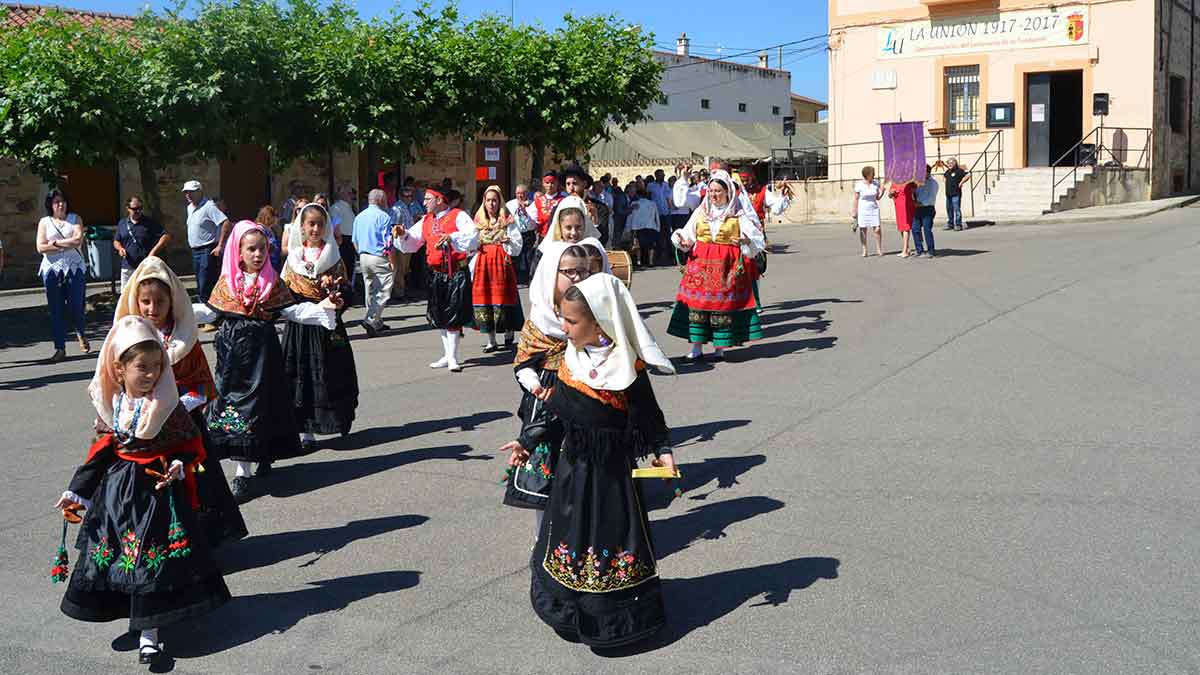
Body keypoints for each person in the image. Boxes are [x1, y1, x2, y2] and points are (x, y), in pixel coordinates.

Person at [54, 315, 231, 666]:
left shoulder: (169, 406)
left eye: (156, 366)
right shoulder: (112, 406)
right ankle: (132, 614)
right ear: (120, 370)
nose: (150, 374)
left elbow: (189, 445)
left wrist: (179, 466)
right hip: (118, 496)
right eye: (142, 367)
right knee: (124, 556)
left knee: (154, 560)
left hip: (159, 495)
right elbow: (100, 455)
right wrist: (77, 492)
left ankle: (150, 634)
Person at [514, 273, 675, 648]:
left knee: (613, 538)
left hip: (613, 477)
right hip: (574, 473)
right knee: (570, 537)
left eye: (571, 322)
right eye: (564, 320)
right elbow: (556, 412)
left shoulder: (627, 368)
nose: (565, 330)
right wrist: (526, 439)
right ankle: (568, 612)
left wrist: (664, 452)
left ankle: (614, 622)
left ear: (599, 321)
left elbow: (649, 416)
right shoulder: (571, 361)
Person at [196, 221, 339, 503]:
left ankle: (254, 463)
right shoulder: (226, 283)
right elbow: (211, 313)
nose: (258, 254)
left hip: (263, 355)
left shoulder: (273, 283)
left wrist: (322, 309)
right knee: (235, 407)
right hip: (233, 357)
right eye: (251, 249)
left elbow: (293, 311)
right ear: (238, 252)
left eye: (262, 248)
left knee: (262, 406)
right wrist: (174, 311)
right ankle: (242, 471)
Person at [113, 257, 247, 547]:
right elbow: (114, 380)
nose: (152, 309)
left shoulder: (185, 340)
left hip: (183, 425)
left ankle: (197, 542)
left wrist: (178, 404)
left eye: (159, 302)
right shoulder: (128, 337)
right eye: (145, 302)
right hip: (141, 427)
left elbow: (203, 386)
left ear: (171, 302)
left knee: (192, 484)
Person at [501, 244, 595, 538]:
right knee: (546, 468)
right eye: (570, 272)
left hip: (587, 396)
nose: (577, 278)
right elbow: (523, 362)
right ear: (552, 275)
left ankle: (581, 536)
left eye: (583, 271)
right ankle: (545, 536)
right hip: (546, 399)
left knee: (584, 468)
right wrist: (535, 384)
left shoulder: (598, 313)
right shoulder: (541, 318)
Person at [280, 204, 359, 448]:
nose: (315, 228)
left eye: (319, 224)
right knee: (301, 375)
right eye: (310, 224)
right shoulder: (293, 259)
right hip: (301, 327)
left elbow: (347, 291)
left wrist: (335, 298)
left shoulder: (333, 257)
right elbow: (283, 293)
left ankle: (338, 419)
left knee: (331, 372)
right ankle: (306, 433)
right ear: (301, 227)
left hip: (327, 326)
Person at [668, 170, 765, 361]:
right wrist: (683, 240)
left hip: (726, 267)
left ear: (727, 192)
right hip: (700, 265)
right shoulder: (701, 212)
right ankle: (696, 348)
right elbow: (689, 234)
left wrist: (744, 241)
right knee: (697, 305)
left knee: (721, 307)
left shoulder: (738, 214)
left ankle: (720, 347)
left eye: (718, 191)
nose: (713, 194)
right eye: (711, 191)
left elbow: (756, 239)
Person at [393, 188, 479, 372]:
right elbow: (412, 241)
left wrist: (452, 237)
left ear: (439, 200)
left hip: (455, 273)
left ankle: (454, 357)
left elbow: (473, 237)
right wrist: (402, 233)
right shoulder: (426, 220)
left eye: (427, 199)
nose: (424, 203)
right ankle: (447, 355)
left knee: (453, 315)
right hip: (435, 274)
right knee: (439, 313)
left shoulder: (458, 215)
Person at [36, 189, 90, 362]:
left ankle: (80, 332)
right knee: (55, 309)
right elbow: (40, 247)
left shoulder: (75, 219)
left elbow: (78, 240)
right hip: (52, 270)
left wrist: (54, 243)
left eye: (63, 201)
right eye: (57, 202)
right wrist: (63, 244)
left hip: (74, 268)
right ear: (50, 205)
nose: (61, 204)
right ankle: (60, 348)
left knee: (76, 305)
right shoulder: (44, 222)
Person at [470, 186, 524, 352]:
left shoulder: (507, 219)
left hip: (502, 262)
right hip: (483, 262)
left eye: (494, 200)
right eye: (488, 200)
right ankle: (491, 339)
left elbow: (517, 242)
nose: (491, 204)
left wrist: (508, 241)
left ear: (500, 201)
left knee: (503, 298)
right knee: (485, 299)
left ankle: (508, 332)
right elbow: (470, 241)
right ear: (484, 202)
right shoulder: (478, 221)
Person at [352, 189, 396, 337]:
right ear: (381, 200)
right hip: (379, 256)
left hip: (364, 255)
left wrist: (361, 254)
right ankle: (371, 319)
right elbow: (388, 243)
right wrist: (392, 261)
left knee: (370, 289)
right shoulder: (384, 217)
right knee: (383, 290)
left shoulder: (359, 217)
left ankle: (376, 320)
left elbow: (355, 240)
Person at [183, 181, 231, 314]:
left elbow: (225, 222)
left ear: (200, 192)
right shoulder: (190, 207)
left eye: (191, 192)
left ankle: (212, 314)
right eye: (186, 192)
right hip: (195, 250)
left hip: (207, 249)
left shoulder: (209, 206)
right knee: (199, 282)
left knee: (206, 282)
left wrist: (220, 245)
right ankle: (206, 313)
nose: (188, 195)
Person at [114, 197, 170, 291]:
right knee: (126, 295)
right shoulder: (122, 223)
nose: (138, 211)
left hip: (145, 266)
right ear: (128, 208)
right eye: (134, 209)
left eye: (140, 208)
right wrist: (120, 249)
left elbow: (165, 236)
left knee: (145, 293)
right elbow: (116, 241)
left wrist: (153, 252)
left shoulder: (149, 222)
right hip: (128, 267)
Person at [506, 183, 539, 282]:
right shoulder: (509, 204)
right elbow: (503, 218)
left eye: (522, 193)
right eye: (518, 193)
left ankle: (527, 278)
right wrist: (507, 221)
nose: (520, 196)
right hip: (514, 234)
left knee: (527, 257)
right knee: (515, 257)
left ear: (527, 194)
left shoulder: (532, 205)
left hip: (527, 235)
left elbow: (533, 224)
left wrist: (524, 211)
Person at [389, 188, 416, 301]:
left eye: (410, 196)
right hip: (400, 242)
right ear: (401, 196)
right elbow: (393, 225)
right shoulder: (397, 208)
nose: (409, 198)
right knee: (399, 268)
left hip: (408, 241)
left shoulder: (409, 207)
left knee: (405, 268)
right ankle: (399, 293)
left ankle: (403, 290)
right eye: (406, 196)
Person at [851, 166, 885, 257]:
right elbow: (856, 199)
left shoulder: (876, 183)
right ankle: (864, 250)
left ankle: (879, 249)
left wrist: (883, 191)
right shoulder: (859, 185)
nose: (874, 175)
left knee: (877, 229)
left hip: (874, 208)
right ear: (867, 175)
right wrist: (854, 211)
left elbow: (877, 197)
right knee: (863, 229)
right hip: (863, 209)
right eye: (872, 173)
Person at [626, 184, 661, 268]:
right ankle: (651, 261)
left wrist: (629, 227)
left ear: (638, 195)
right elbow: (657, 216)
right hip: (650, 226)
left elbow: (631, 216)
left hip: (637, 227)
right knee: (651, 245)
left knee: (638, 245)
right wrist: (658, 227)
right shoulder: (652, 204)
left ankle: (639, 261)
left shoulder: (634, 203)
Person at [913, 165, 938, 258]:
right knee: (915, 229)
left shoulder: (933, 183)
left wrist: (920, 203)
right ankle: (919, 250)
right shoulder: (919, 182)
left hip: (928, 208)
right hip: (918, 208)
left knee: (927, 229)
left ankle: (931, 251)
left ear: (927, 172)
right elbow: (917, 194)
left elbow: (931, 198)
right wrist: (914, 193)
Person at [533, 171, 567, 240]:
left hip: (558, 237)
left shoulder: (563, 200)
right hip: (542, 237)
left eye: (552, 183)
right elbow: (531, 220)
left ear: (557, 183)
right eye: (547, 183)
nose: (549, 185)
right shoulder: (538, 201)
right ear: (543, 184)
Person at [889, 178, 917, 258]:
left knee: (905, 227)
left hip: (906, 206)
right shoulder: (895, 182)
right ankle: (907, 248)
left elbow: (915, 189)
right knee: (901, 227)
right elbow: (890, 195)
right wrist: (891, 193)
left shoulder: (909, 181)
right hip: (898, 206)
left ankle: (905, 251)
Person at [254, 205, 284, 274]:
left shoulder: (272, 229)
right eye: (275, 217)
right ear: (268, 217)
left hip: (275, 265)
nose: (277, 219)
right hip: (266, 266)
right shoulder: (260, 229)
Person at [943, 157, 969, 231]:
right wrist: (945, 181)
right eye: (948, 163)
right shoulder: (947, 172)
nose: (950, 164)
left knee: (956, 209)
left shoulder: (959, 171)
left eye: (951, 163)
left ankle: (958, 224)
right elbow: (944, 177)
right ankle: (950, 224)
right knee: (949, 210)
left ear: (955, 163)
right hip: (948, 194)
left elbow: (967, 175)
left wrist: (961, 182)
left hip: (956, 194)